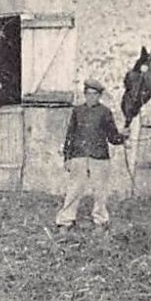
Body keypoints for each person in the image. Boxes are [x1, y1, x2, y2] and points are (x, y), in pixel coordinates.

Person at [56, 78, 127, 228]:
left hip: (99, 157)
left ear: (99, 96)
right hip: (79, 156)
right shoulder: (77, 111)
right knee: (74, 189)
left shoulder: (105, 112)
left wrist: (123, 136)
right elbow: (70, 135)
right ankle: (65, 221)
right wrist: (67, 157)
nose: (91, 97)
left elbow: (112, 137)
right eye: (88, 94)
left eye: (95, 94)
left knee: (100, 191)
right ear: (85, 94)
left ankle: (100, 221)